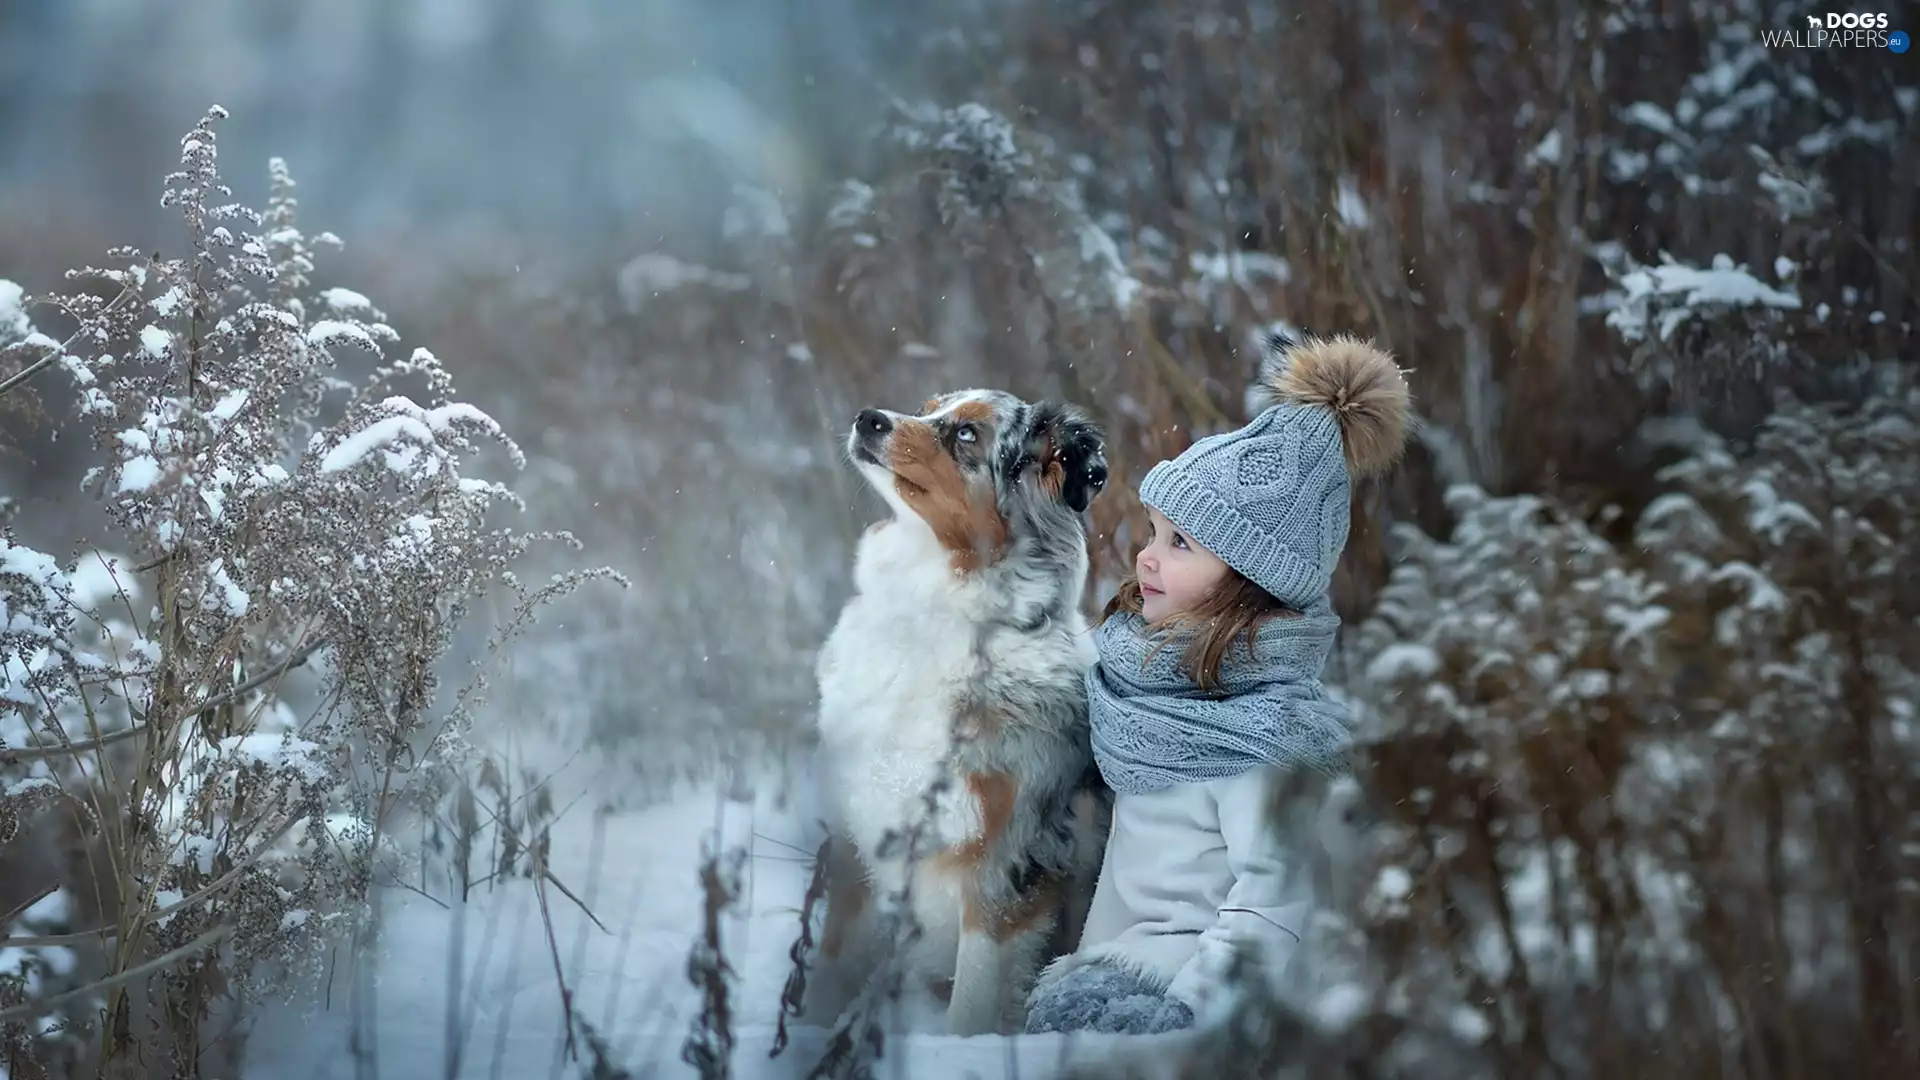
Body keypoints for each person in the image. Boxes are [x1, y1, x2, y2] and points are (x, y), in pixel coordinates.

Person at [1023, 333, 1412, 1035]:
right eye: (1153, 530)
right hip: (1105, 972)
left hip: (1175, 1003)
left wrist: (1187, 1018)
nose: (1147, 555)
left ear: (1251, 580)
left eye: (1182, 544)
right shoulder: (1138, 686)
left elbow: (1274, 898)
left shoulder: (1260, 739)